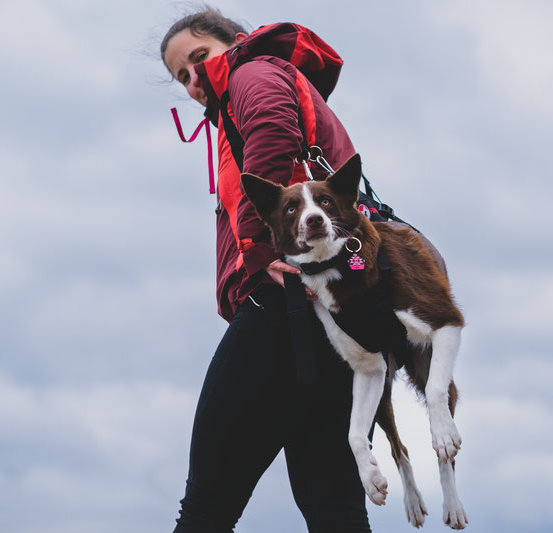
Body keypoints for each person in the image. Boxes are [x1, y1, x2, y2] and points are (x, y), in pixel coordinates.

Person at [161, 7, 373, 532]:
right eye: (180, 76)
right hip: (332, 311)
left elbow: (273, 137)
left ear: (234, 41)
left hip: (284, 306)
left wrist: (258, 249)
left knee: (206, 506)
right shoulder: (253, 85)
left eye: (197, 59)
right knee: (334, 506)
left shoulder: (251, 73)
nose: (192, 81)